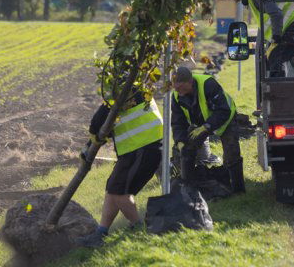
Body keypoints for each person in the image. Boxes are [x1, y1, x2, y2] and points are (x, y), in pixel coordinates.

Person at [75, 94, 163, 247]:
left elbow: (97, 123)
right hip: (139, 148)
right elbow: (109, 124)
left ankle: (139, 228)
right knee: (112, 191)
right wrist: (90, 145)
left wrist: (91, 142)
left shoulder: (124, 91)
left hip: (141, 148)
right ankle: (101, 233)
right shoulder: (138, 87)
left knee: (118, 192)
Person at [171, 67, 245, 194]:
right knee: (185, 149)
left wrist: (207, 126)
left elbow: (223, 111)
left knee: (231, 153)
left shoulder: (208, 84)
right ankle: (189, 188)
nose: (178, 91)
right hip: (199, 125)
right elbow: (178, 122)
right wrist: (180, 141)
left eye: (180, 87)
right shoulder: (176, 96)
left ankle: (238, 190)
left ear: (190, 82)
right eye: (175, 88)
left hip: (225, 120)